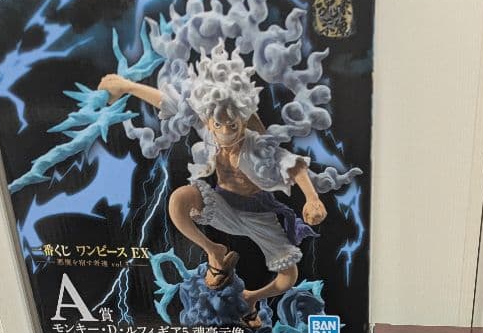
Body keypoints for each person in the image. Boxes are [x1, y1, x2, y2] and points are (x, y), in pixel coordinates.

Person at [98, 45, 326, 309]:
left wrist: (312, 198)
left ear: (243, 119)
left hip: (258, 215)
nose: (226, 132)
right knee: (179, 200)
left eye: (233, 125)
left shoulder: (258, 144)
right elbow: (169, 103)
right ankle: (214, 251)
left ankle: (251, 297)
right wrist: (126, 86)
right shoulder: (208, 127)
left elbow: (293, 164)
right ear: (208, 121)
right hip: (222, 206)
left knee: (288, 275)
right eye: (219, 125)